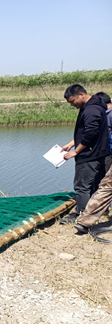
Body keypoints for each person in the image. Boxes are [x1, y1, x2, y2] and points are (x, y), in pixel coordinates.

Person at [59, 84, 108, 224]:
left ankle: (80, 215)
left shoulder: (91, 110)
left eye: (72, 101)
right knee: (94, 185)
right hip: (97, 153)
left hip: (89, 155)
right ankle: (93, 212)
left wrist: (76, 151)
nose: (72, 105)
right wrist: (72, 143)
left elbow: (90, 134)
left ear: (81, 94)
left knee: (82, 186)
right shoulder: (92, 106)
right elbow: (87, 131)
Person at [74, 92, 112, 234]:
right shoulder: (98, 110)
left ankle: (84, 220)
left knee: (105, 187)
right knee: (106, 186)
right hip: (105, 155)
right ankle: (85, 221)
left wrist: (76, 151)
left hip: (97, 155)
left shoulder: (96, 110)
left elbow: (92, 133)